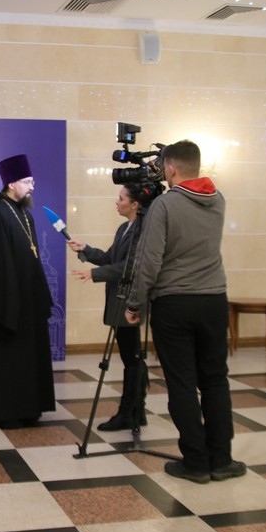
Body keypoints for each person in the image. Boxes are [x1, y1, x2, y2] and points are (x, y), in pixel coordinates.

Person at [124, 140, 246, 484]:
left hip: (174, 302)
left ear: (171, 168)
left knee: (182, 383)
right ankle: (222, 459)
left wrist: (135, 303)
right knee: (215, 380)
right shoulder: (218, 199)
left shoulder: (165, 205)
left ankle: (195, 461)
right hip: (214, 299)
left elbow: (150, 261)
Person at [67, 181, 163, 431]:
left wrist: (94, 274)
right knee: (132, 356)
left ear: (135, 204)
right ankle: (137, 410)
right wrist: (86, 250)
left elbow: (130, 267)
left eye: (121, 198)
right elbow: (111, 258)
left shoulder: (143, 230)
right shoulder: (124, 228)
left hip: (131, 300)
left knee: (132, 358)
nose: (116, 202)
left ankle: (128, 412)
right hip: (118, 297)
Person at [0, 154, 56, 428]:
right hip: (8, 303)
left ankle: (28, 408)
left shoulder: (25, 214)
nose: (32, 187)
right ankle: (6, 411)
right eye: (27, 182)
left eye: (33, 182)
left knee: (28, 356)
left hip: (28, 301)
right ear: (11, 183)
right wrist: (11, 302)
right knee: (8, 358)